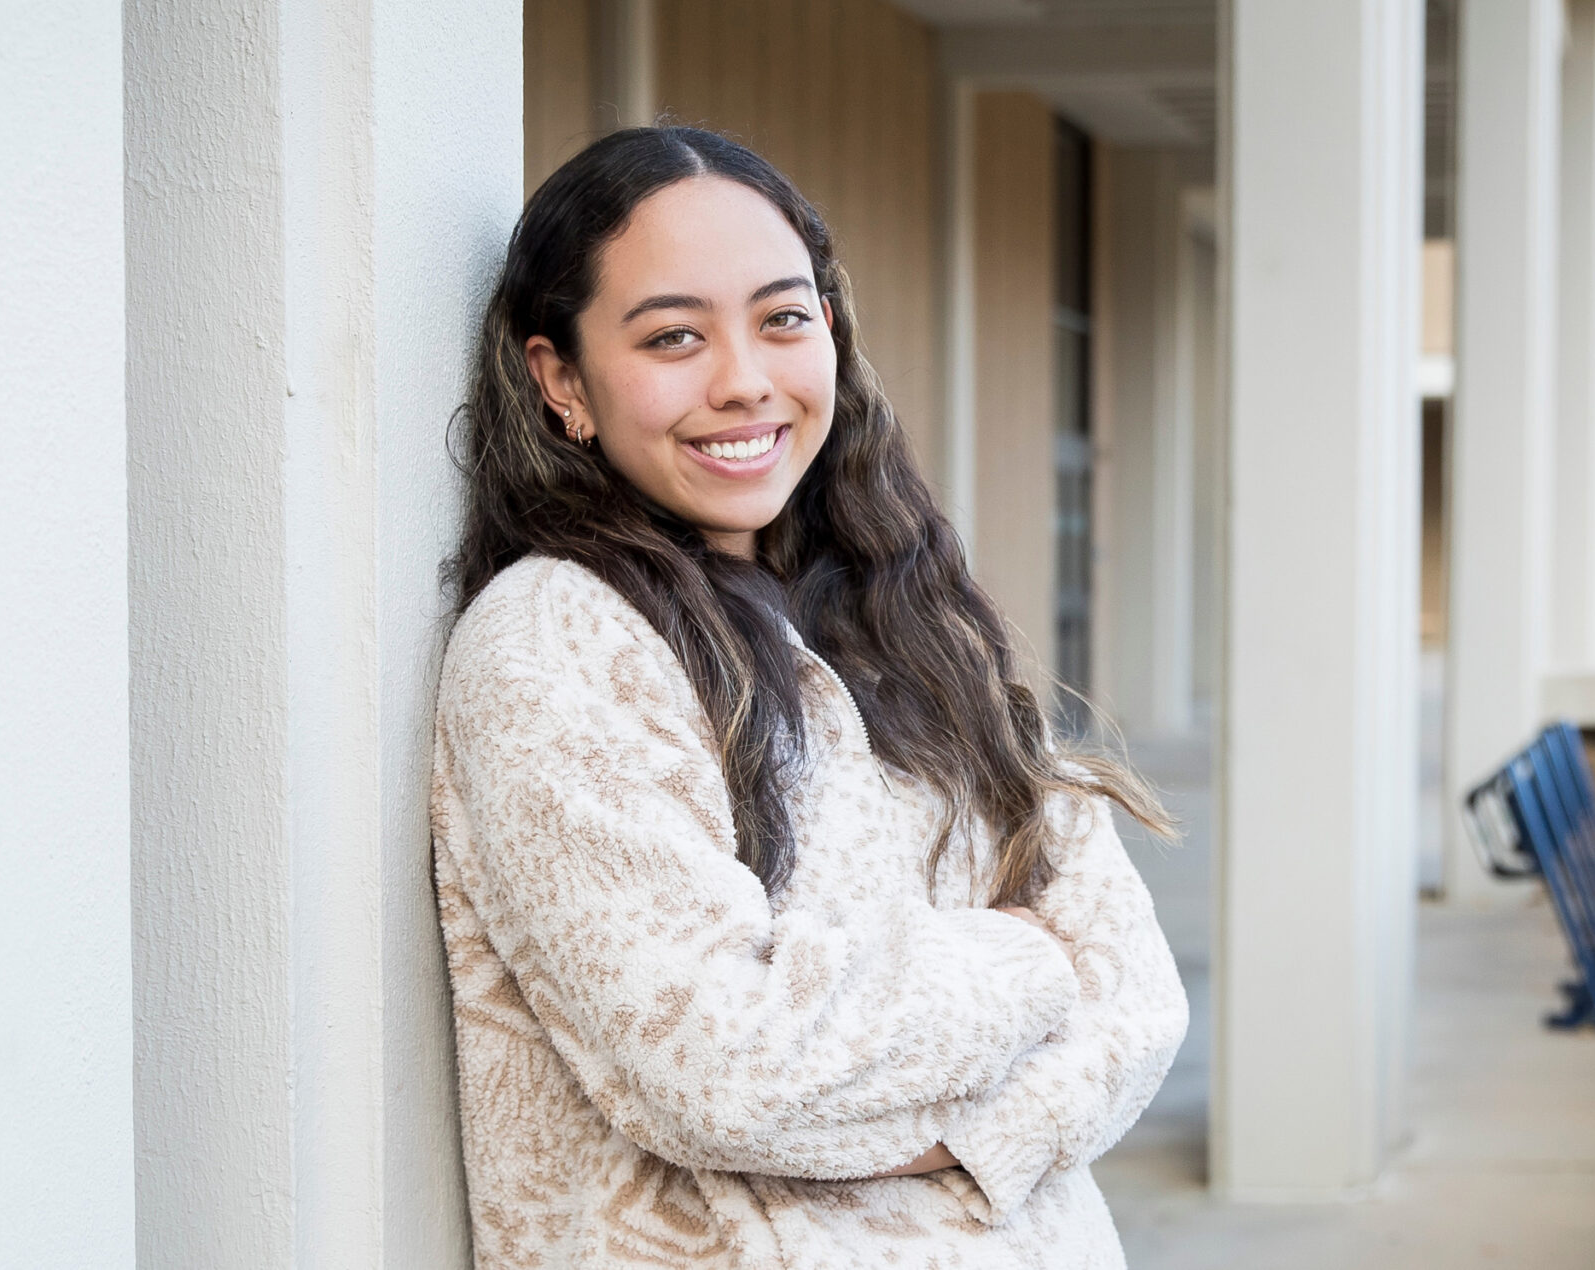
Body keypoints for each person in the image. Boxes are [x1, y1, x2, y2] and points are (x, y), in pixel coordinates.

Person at [431, 125, 1187, 1269]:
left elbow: (1134, 993)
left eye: (783, 319)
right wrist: (1026, 964)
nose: (743, 381)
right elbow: (729, 1069)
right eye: (673, 337)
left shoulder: (904, 615)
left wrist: (982, 1134)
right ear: (560, 379)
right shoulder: (556, 638)